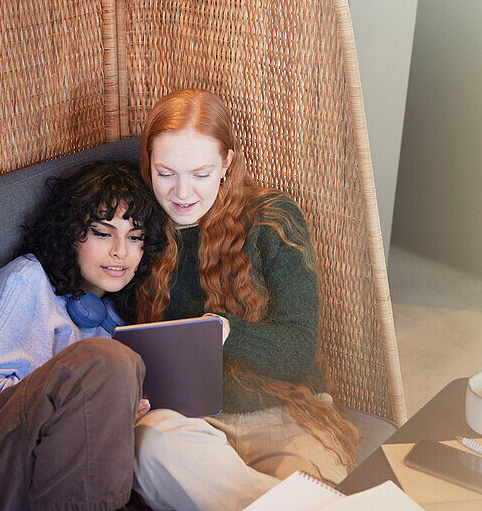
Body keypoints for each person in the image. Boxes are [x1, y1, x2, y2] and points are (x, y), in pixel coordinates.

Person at [132, 89, 361, 511]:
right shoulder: (138, 230)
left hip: (286, 415)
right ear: (148, 165)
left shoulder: (271, 219)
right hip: (193, 427)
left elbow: (297, 351)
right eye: (165, 173)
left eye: (200, 174)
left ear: (227, 164)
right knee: (149, 444)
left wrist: (223, 330)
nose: (182, 193)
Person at [0, 160, 166, 511]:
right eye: (103, 233)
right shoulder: (26, 281)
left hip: (48, 484)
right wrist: (79, 404)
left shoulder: (119, 316)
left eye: (134, 238)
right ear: (71, 232)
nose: (120, 250)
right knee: (109, 363)